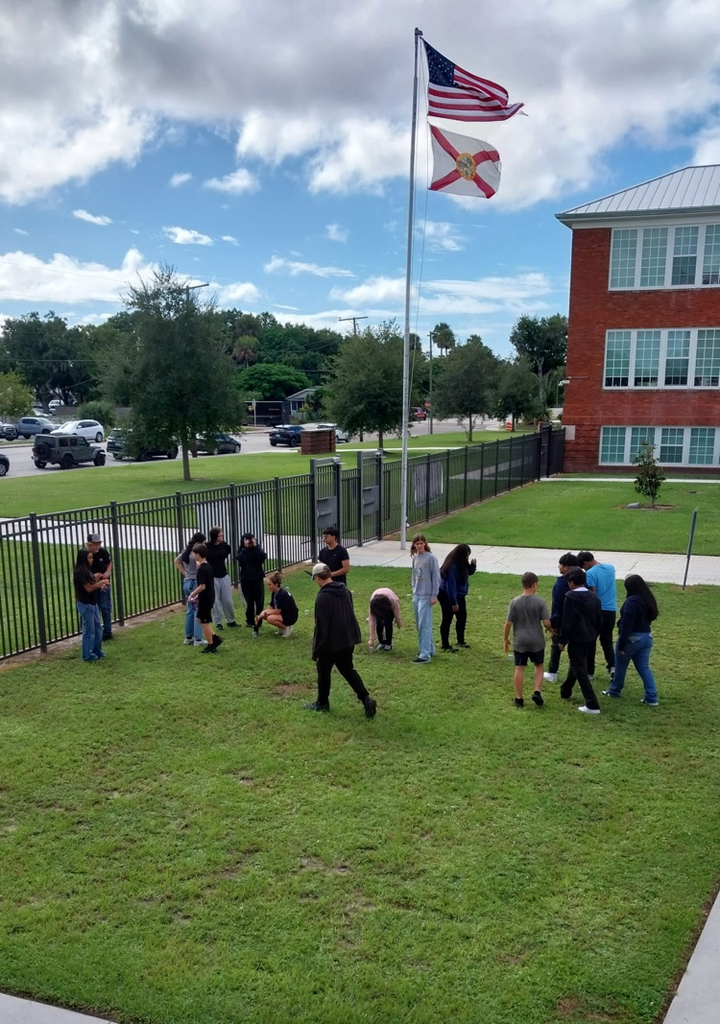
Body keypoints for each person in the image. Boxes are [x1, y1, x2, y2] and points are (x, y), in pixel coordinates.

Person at [307, 563, 377, 717]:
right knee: (348, 670)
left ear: (318, 577)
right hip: (347, 639)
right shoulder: (344, 590)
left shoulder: (322, 597)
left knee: (323, 671)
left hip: (331, 643)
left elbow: (321, 626)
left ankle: (322, 703)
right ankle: (366, 699)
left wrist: (316, 650)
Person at [602, 575, 659, 705]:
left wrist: (621, 645)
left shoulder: (631, 603)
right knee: (644, 668)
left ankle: (614, 691)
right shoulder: (648, 599)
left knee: (621, 666)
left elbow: (626, 625)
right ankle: (652, 697)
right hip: (646, 637)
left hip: (632, 639)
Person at [503, 571, 551, 708]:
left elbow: (508, 623)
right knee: (539, 665)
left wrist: (505, 639)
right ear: (534, 584)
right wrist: (551, 630)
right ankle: (537, 690)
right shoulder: (540, 602)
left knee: (519, 668)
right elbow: (546, 622)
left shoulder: (514, 602)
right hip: (537, 641)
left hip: (520, 641)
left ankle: (519, 698)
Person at [558, 567, 602, 714]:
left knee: (579, 668)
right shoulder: (594, 597)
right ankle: (566, 689)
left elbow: (567, 621)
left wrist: (562, 640)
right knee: (577, 663)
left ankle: (592, 703)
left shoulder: (570, 597)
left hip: (576, 638)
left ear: (571, 582)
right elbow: (598, 619)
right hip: (590, 637)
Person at [577, 551, 617, 681]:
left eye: (583, 567)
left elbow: (593, 592)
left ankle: (590, 671)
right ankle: (613, 666)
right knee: (607, 640)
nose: (584, 570)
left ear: (586, 563)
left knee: (591, 641)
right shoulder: (611, 568)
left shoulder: (590, 574)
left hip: (597, 610)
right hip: (611, 610)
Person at [544, 552, 579, 683]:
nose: (559, 566)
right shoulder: (583, 581)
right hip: (578, 622)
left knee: (556, 645)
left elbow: (557, 606)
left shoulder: (560, 585)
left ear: (567, 567)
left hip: (562, 622)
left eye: (561, 564)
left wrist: (553, 624)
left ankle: (553, 672)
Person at [437, 543, 477, 652]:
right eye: (466, 555)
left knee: (462, 617)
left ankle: (461, 640)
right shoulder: (452, 566)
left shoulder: (461, 563)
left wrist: (473, 566)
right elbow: (451, 586)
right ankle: (445, 645)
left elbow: (467, 572)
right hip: (447, 595)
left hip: (459, 595)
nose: (467, 558)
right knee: (447, 618)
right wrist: (454, 603)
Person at [74, 548, 110, 662]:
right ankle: (87, 655)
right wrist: (99, 584)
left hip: (92, 603)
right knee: (89, 630)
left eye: (92, 557)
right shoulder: (80, 572)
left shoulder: (87, 570)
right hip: (86, 604)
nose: (92, 559)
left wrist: (96, 579)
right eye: (89, 557)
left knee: (98, 628)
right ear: (83, 559)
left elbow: (90, 582)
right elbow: (88, 588)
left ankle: (96, 651)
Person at [187, 543, 223, 653]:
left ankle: (211, 644)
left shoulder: (202, 569)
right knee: (200, 619)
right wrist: (198, 596)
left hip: (206, 598)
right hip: (208, 596)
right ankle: (215, 638)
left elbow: (202, 586)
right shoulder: (208, 566)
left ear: (198, 554)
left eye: (194, 554)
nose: (193, 556)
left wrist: (193, 594)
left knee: (204, 622)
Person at [410, 533, 440, 663]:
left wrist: (434, 595)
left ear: (425, 544)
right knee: (419, 624)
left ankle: (424, 655)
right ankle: (430, 649)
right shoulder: (415, 558)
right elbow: (413, 575)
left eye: (421, 543)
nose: (419, 545)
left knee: (425, 625)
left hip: (427, 596)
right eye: (417, 543)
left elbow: (436, 577)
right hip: (417, 595)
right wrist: (414, 590)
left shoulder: (431, 558)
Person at [174, 532, 206, 646]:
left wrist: (185, 573)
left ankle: (188, 637)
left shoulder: (186, 551)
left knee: (190, 610)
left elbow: (177, 561)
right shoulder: (197, 552)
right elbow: (199, 564)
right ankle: (198, 638)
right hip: (196, 583)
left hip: (187, 582)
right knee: (198, 610)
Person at [206, 526, 238, 630]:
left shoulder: (225, 546)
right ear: (214, 536)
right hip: (213, 577)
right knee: (216, 601)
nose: (221, 537)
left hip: (223, 575)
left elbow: (226, 553)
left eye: (222, 535)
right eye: (219, 535)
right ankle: (218, 622)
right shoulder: (207, 546)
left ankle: (231, 620)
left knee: (227, 600)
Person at [235, 532, 267, 628]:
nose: (249, 541)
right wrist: (245, 548)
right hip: (246, 579)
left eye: (251, 539)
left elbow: (262, 557)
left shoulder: (258, 549)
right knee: (249, 601)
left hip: (257, 578)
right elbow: (240, 559)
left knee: (259, 600)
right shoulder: (241, 551)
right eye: (247, 540)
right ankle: (250, 620)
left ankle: (259, 620)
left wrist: (255, 546)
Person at [86, 532, 113, 641]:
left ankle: (107, 632)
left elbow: (109, 562)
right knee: (93, 609)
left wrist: (107, 572)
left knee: (106, 608)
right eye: (95, 544)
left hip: (104, 584)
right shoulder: (85, 555)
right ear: (88, 544)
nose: (97, 546)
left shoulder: (103, 552)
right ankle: (94, 632)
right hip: (92, 586)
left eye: (99, 544)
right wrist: (93, 578)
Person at [254, 571, 298, 637]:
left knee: (270, 618)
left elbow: (278, 611)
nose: (268, 587)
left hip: (290, 616)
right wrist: (261, 614)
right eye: (267, 585)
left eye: (269, 585)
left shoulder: (282, 594)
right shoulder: (274, 593)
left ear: (276, 584)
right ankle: (281, 628)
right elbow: (271, 606)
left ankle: (286, 628)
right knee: (264, 615)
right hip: (283, 614)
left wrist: (265, 613)